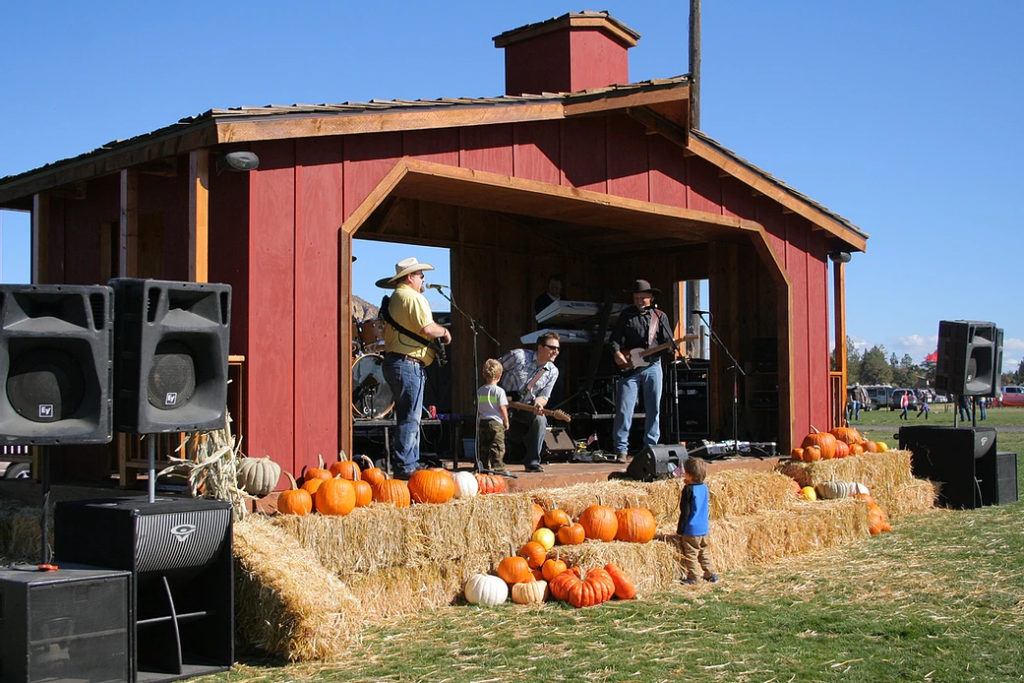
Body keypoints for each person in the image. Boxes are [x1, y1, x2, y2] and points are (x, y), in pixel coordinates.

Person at [376, 257, 452, 479]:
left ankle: (407, 464)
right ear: (410, 277)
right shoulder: (413, 297)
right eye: (420, 275)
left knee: (406, 415)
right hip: (409, 363)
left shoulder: (395, 298)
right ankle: (407, 468)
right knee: (411, 417)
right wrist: (446, 332)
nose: (423, 279)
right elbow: (428, 329)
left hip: (395, 361)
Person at [609, 279, 674, 463]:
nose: (639, 301)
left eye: (643, 298)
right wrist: (617, 354)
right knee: (624, 409)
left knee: (653, 409)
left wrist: (668, 347)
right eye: (636, 298)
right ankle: (621, 450)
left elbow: (668, 342)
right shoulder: (626, 315)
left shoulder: (660, 316)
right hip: (630, 368)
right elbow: (614, 339)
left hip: (653, 366)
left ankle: (650, 448)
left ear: (651, 298)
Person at [499, 332, 561, 472]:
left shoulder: (553, 371)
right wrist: (494, 394)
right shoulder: (518, 356)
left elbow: (544, 396)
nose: (556, 352)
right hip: (501, 403)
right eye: (552, 347)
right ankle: (488, 461)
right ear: (540, 347)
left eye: (558, 348)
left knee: (540, 419)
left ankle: (533, 462)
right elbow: (493, 368)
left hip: (525, 407)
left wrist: (539, 404)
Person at [676, 456, 718, 584]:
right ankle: (711, 573)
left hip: (691, 529)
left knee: (691, 554)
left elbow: (686, 512)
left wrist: (680, 529)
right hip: (704, 528)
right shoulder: (704, 487)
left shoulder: (688, 490)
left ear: (689, 474)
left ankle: (694, 577)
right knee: (703, 552)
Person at [477, 358, 510, 474]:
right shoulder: (499, 391)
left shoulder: (480, 391)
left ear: (483, 374)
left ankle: (483, 467)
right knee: (497, 446)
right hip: (496, 422)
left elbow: (478, 407)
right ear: (500, 375)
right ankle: (498, 468)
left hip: (483, 421)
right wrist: (506, 421)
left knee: (484, 446)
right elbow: (502, 407)